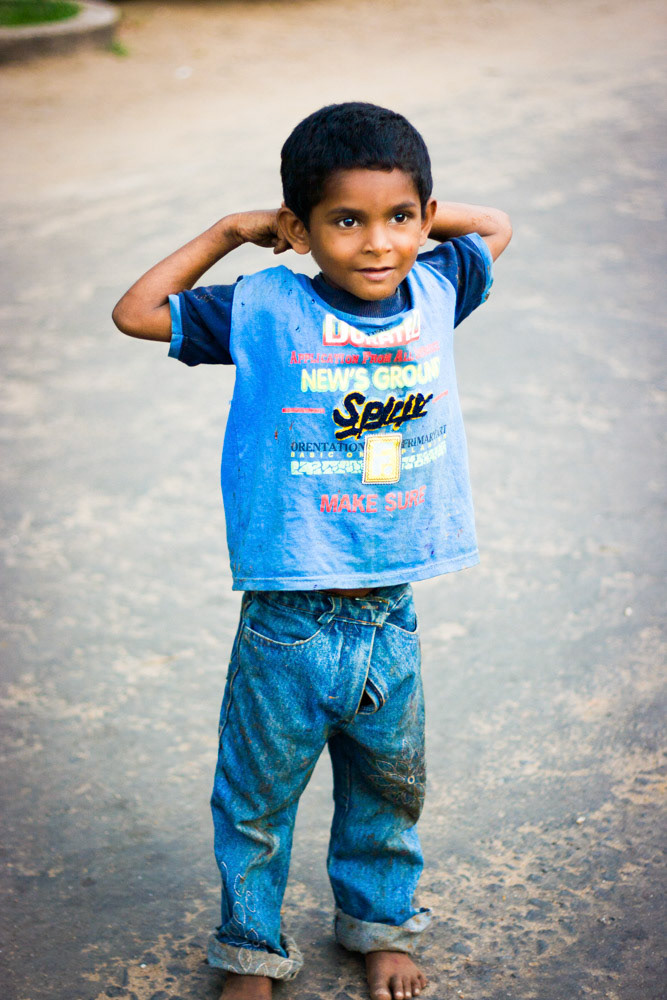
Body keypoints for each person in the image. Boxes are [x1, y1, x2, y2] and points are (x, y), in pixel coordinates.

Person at [112, 101, 512, 1000]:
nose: (378, 245)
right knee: (254, 805)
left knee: (387, 794)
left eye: (399, 218)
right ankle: (250, 951)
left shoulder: (438, 288)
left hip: (389, 617)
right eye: (345, 221)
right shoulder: (262, 307)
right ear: (297, 228)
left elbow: (492, 224)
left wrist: (402, 212)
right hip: (284, 620)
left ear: (423, 215)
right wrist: (230, 229)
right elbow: (134, 312)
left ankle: (378, 927)